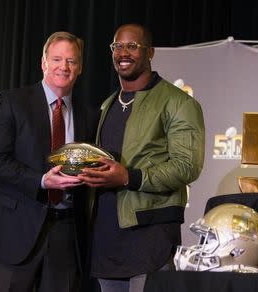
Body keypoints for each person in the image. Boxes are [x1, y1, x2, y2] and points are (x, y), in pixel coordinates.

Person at [78, 23, 205, 292]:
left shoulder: (179, 102)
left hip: (151, 237)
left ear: (150, 52)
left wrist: (129, 177)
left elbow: (187, 166)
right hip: (107, 238)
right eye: (117, 46)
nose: (123, 52)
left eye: (132, 46)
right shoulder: (107, 104)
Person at [0, 31, 98, 292]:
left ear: (80, 68)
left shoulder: (90, 115)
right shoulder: (11, 101)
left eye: (71, 61)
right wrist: (42, 180)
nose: (63, 67)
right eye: (56, 59)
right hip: (14, 230)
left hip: (66, 235)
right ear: (43, 62)